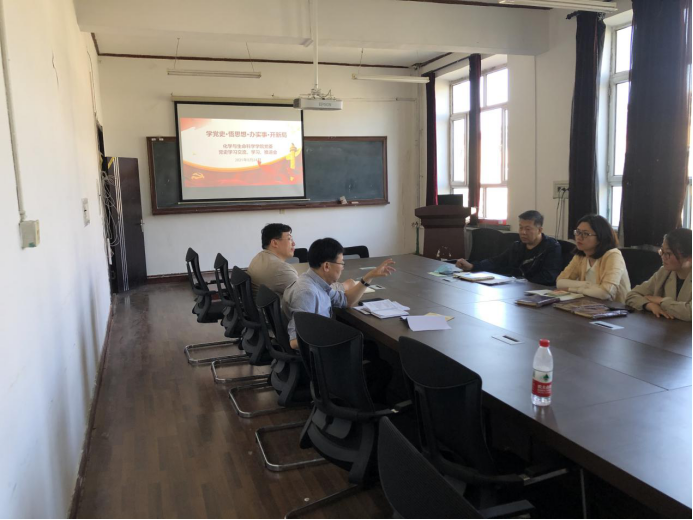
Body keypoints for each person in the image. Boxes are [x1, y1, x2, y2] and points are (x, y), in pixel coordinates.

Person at [283, 238, 396, 403]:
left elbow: (346, 301)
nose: (343, 267)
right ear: (326, 266)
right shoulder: (307, 293)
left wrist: (368, 277)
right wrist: (336, 343)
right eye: (341, 263)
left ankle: (358, 399)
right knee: (383, 368)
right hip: (320, 360)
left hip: (321, 350)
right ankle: (363, 409)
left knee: (370, 347)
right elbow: (295, 342)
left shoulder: (317, 282)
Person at [456, 211, 563, 286]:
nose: (523, 232)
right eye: (521, 228)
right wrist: (473, 266)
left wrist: (519, 280)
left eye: (528, 229)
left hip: (536, 291)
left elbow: (549, 277)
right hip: (515, 288)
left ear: (539, 230)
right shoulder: (517, 246)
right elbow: (496, 261)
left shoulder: (551, 247)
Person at [247, 223, 355, 298]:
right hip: (280, 320)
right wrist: (343, 286)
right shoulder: (281, 269)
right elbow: (311, 292)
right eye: (289, 239)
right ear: (274, 243)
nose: (293, 243)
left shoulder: (258, 258)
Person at [557, 214, 631, 303]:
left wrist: (575, 289)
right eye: (578, 232)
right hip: (589, 305)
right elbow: (560, 282)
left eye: (586, 234)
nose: (579, 237)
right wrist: (587, 285)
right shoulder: (581, 255)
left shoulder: (613, 256)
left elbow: (605, 293)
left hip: (616, 308)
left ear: (600, 237)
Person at [626, 228, 692, 321]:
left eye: (668, 253)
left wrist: (661, 301)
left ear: (689, 257)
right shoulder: (664, 272)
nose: (663, 257)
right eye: (662, 251)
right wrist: (649, 305)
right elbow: (631, 295)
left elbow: (689, 313)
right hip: (668, 327)